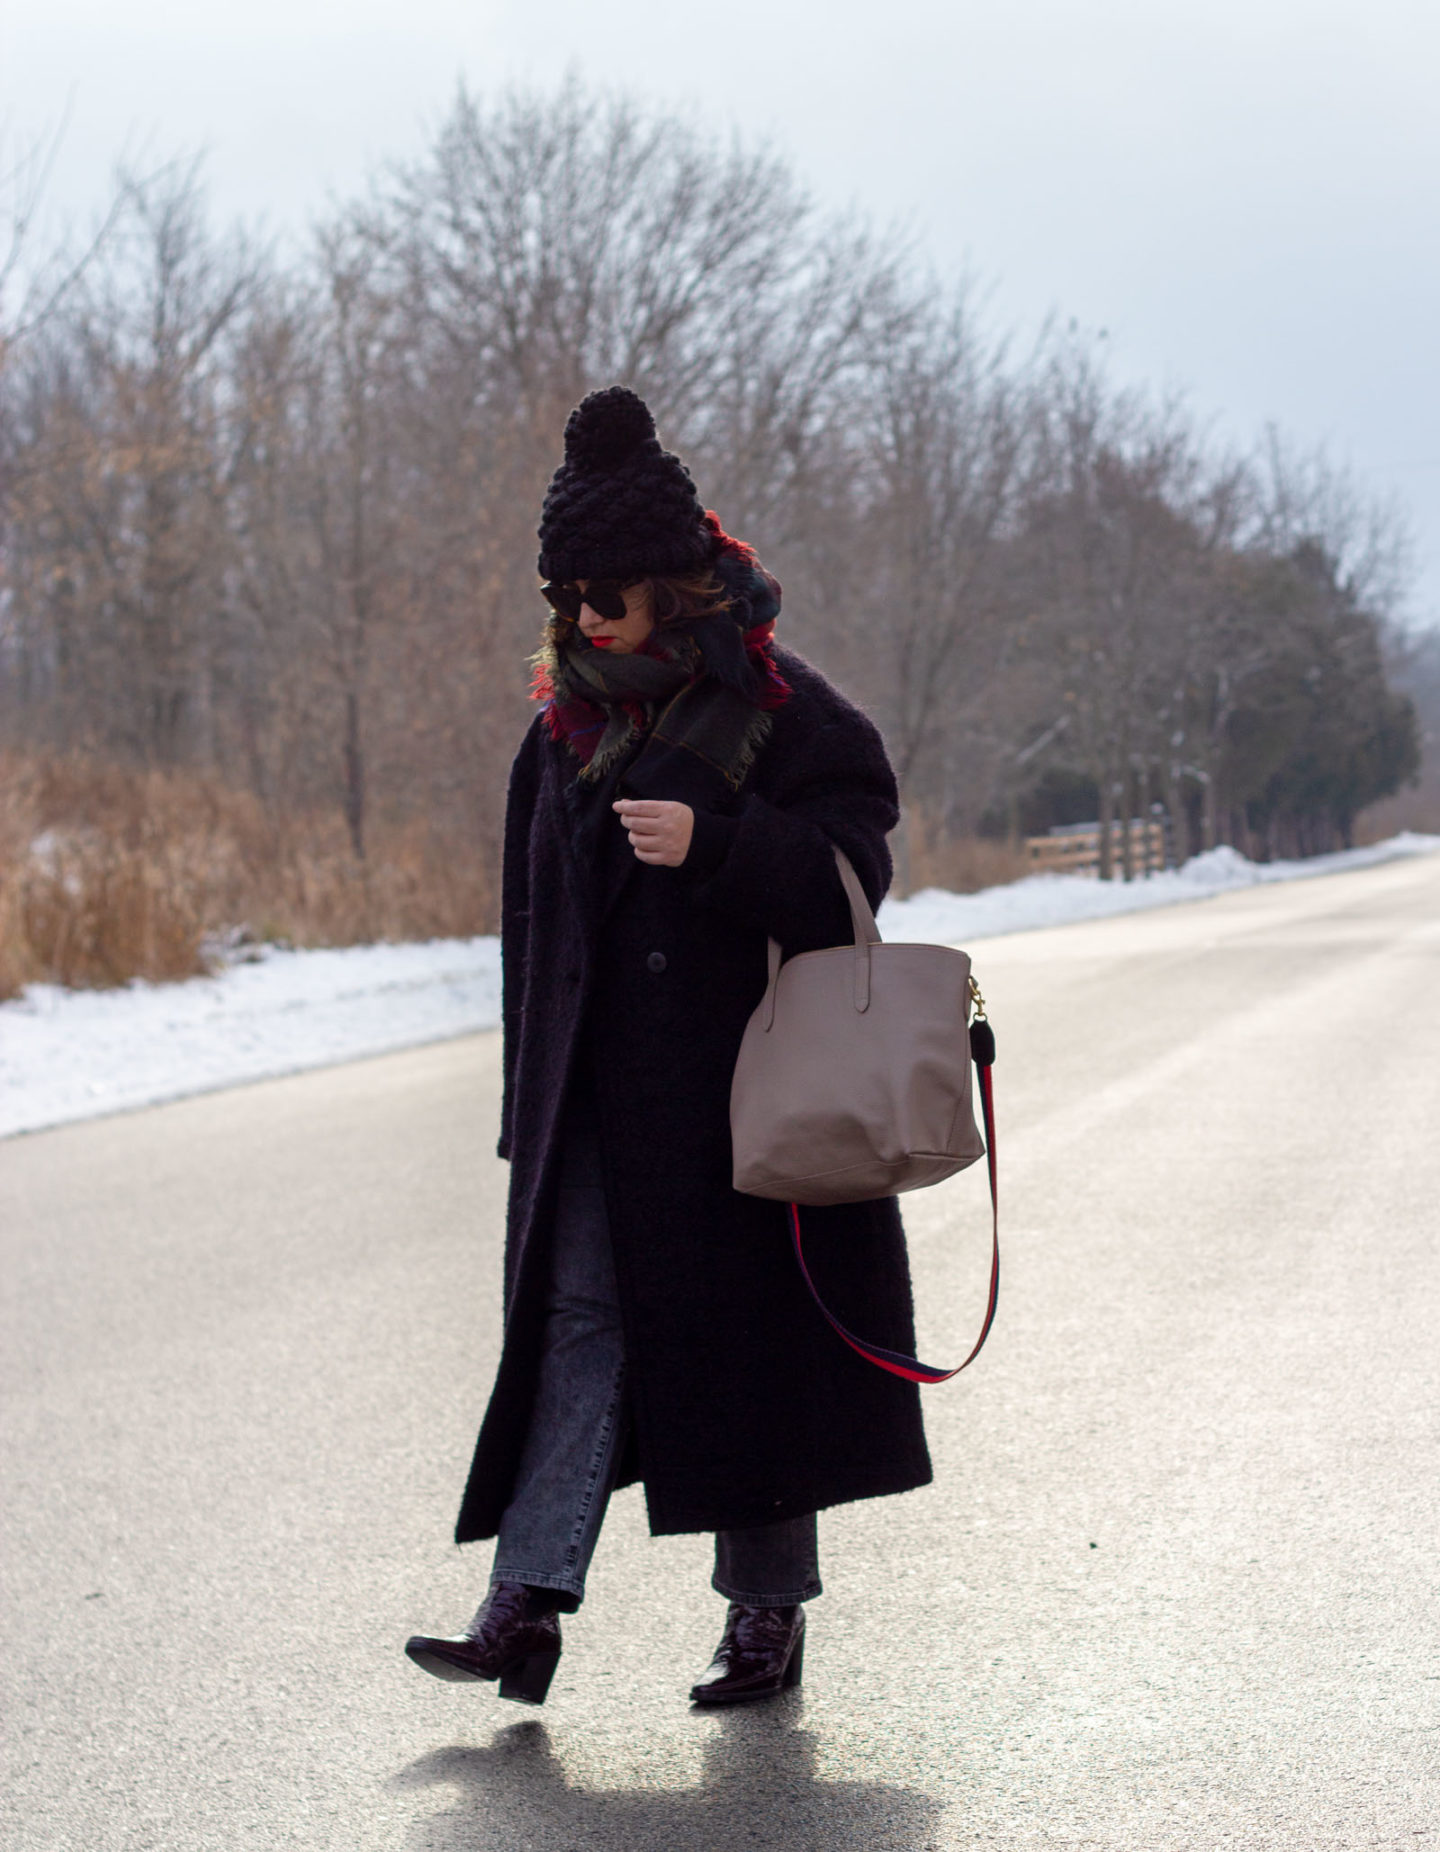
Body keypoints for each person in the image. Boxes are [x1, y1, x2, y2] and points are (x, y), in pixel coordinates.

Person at [405, 386, 931, 1707]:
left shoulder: (787, 715)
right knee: (578, 1329)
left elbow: (852, 881)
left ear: (680, 588)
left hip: (741, 1101)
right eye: (569, 592)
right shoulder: (560, 730)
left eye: (613, 593)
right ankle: (522, 1606)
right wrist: (532, 1109)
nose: (586, 616)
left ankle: (766, 1618)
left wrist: (721, 843)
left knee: (751, 1351)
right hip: (594, 1102)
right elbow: (538, 936)